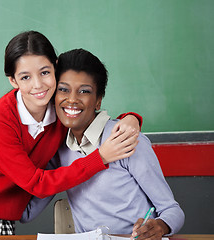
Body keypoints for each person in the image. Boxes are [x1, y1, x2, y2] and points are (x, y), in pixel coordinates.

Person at [0, 31, 142, 237]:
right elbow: (37, 184)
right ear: (13, 81)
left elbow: (89, 115)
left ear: (55, 68)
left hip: (2, 214)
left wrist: (130, 118)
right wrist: (100, 158)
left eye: (45, 72)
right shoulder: (0, 118)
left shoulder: (60, 109)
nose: (38, 85)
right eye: (26, 77)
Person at [21, 49, 185, 239]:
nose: (72, 99)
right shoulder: (59, 149)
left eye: (84, 91)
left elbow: (172, 210)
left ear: (98, 100)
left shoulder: (125, 139)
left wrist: (160, 226)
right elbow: (27, 213)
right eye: (63, 89)